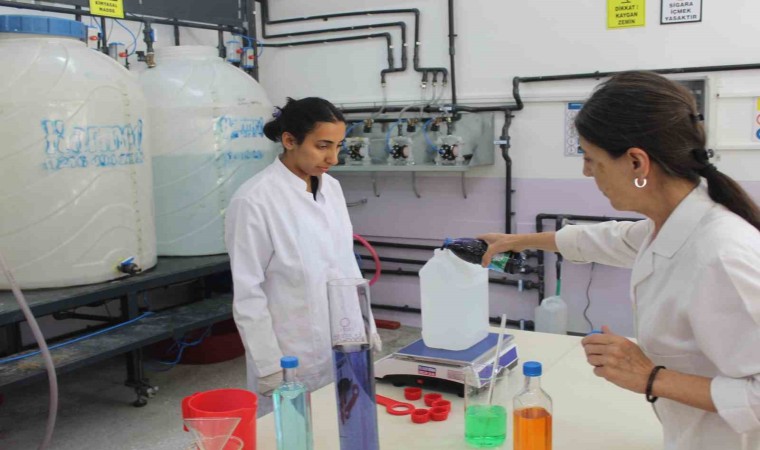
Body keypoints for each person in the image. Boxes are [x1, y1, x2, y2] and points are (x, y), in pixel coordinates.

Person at [479, 71, 760, 449]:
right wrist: (518, 241)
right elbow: (609, 239)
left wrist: (649, 376)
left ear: (636, 163)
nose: (586, 172)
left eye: (591, 159)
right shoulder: (673, 225)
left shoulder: (721, 255)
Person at [225, 97, 367, 414]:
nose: (333, 158)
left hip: (341, 340)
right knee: (292, 429)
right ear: (289, 140)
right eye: (322, 146)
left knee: (340, 421)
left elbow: (345, 265)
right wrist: (268, 365)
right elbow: (248, 293)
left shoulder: (332, 188)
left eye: (338, 146)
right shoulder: (253, 201)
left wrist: (363, 327)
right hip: (290, 351)